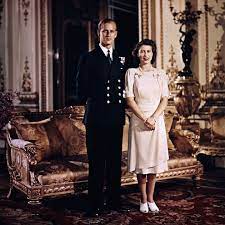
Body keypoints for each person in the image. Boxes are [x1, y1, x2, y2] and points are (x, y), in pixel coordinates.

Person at [75, 18, 126, 217]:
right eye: (105, 31)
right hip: (96, 118)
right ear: (99, 33)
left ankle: (114, 201)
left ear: (116, 34)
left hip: (115, 117)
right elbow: (81, 90)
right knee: (97, 163)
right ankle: (94, 203)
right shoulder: (88, 57)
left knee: (114, 162)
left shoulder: (121, 59)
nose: (108, 34)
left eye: (112, 31)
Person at [125, 39, 169, 213]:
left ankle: (151, 198)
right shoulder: (132, 73)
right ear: (137, 53)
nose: (145, 55)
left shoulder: (160, 74)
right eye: (142, 51)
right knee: (142, 162)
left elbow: (164, 99)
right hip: (139, 120)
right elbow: (129, 99)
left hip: (156, 120)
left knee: (153, 164)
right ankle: (142, 199)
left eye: (148, 51)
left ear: (153, 54)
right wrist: (144, 118)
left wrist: (154, 117)